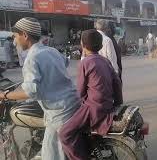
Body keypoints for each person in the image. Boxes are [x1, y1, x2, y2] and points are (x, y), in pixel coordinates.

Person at [1, 17, 80, 160]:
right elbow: (65, 63)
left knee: (51, 155)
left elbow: (30, 92)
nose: (14, 41)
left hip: (59, 112)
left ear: (25, 35)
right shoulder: (51, 50)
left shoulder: (32, 58)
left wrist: (5, 95)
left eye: (16, 36)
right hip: (73, 102)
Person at [59, 30, 123, 160]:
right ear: (100, 45)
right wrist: (117, 104)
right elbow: (117, 82)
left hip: (93, 108)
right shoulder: (105, 61)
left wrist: (82, 102)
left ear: (83, 44)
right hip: (107, 106)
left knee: (64, 133)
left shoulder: (85, 62)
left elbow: (81, 91)